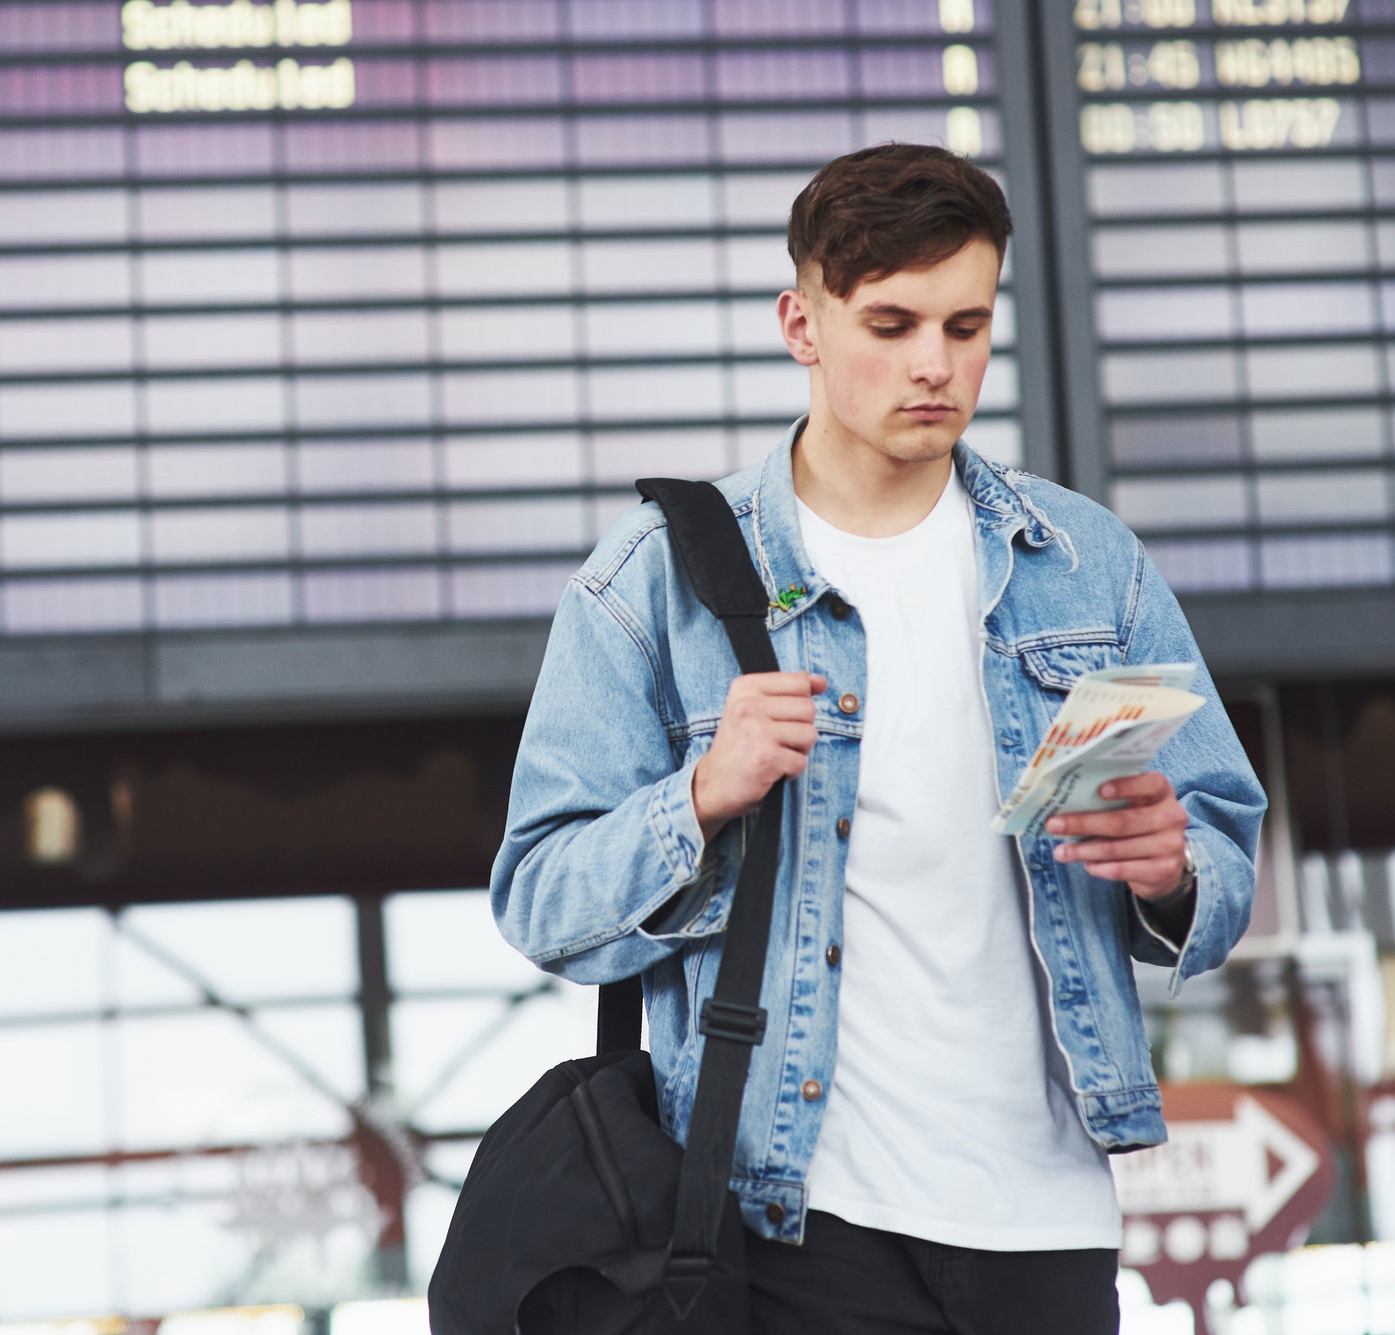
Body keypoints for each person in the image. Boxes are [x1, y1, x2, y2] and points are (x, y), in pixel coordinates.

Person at [490, 142, 1265, 1334]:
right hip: (790, 1214)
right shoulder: (658, 581)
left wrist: (1173, 872)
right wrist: (695, 797)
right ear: (800, 324)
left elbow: (1217, 840)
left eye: (965, 326)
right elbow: (540, 898)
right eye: (890, 323)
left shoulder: (1083, 562)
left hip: (1047, 1216)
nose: (933, 365)